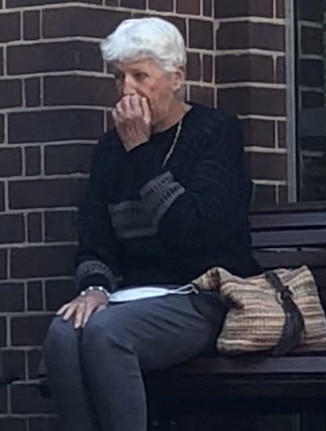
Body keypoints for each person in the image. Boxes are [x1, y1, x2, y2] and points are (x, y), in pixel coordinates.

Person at [43, 16, 261, 431]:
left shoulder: (214, 132)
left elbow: (195, 232)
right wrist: (94, 288)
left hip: (201, 294)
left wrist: (141, 151)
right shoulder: (110, 150)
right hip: (133, 298)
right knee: (63, 333)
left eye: (140, 76)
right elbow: (95, 238)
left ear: (176, 77)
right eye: (119, 77)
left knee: (106, 334)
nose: (127, 90)